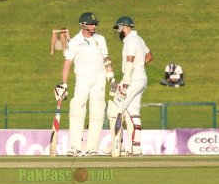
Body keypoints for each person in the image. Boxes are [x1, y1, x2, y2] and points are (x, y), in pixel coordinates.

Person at [54, 12, 116, 156]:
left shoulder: (101, 39)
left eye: (94, 24)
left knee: (98, 112)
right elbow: (67, 62)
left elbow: (106, 59)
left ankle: (92, 148)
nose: (93, 26)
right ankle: (75, 147)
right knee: (77, 110)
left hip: (99, 78)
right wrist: (64, 83)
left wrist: (111, 78)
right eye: (90, 24)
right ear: (82, 25)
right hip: (82, 78)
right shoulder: (75, 41)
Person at [110, 16, 153, 156]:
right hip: (142, 78)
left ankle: (116, 145)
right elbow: (149, 56)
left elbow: (130, 60)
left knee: (116, 107)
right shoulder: (139, 39)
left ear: (124, 27)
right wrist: (139, 67)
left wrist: (127, 80)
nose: (119, 32)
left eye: (119, 28)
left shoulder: (130, 40)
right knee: (134, 112)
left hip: (132, 79)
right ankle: (136, 147)